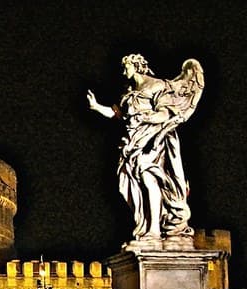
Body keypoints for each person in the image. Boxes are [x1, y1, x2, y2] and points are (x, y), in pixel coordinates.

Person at [87, 55, 204, 244]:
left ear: (136, 66)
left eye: (126, 67)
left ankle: (154, 230)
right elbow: (118, 114)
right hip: (132, 142)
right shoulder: (130, 91)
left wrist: (144, 118)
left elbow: (166, 113)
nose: (124, 72)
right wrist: (96, 107)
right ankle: (147, 226)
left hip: (153, 139)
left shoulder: (157, 85)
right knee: (131, 184)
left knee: (149, 179)